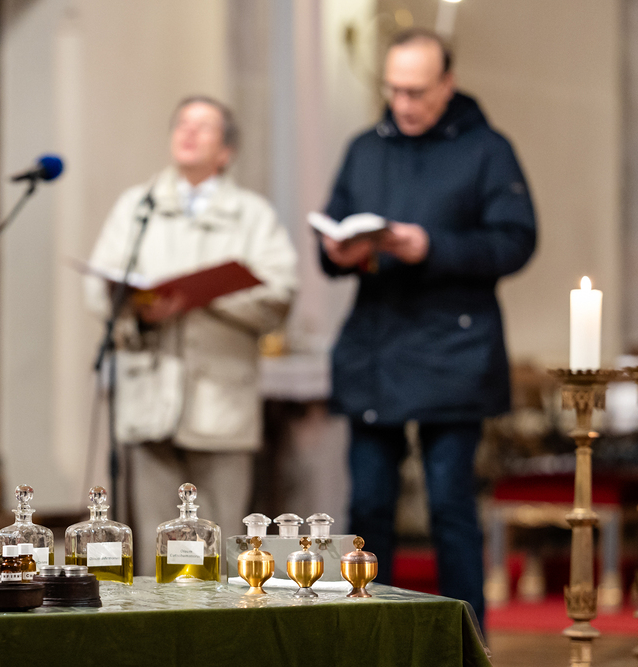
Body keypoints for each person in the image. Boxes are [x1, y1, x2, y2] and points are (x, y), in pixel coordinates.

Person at [319, 29, 536, 627]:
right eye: (393, 89)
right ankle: (371, 639)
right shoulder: (366, 148)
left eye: (416, 91)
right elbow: (332, 230)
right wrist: (339, 252)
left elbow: (516, 241)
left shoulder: (487, 149)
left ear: (447, 84)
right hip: (376, 347)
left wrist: (431, 247)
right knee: (367, 509)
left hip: (453, 350)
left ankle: (467, 644)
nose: (403, 104)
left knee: (450, 508)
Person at [84, 96, 298, 573]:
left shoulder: (251, 214)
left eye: (204, 126)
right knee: (156, 547)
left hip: (219, 401)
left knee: (219, 545)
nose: (189, 132)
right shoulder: (137, 206)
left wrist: (206, 296)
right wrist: (141, 312)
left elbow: (280, 295)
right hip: (148, 398)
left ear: (226, 151)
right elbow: (98, 287)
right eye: (182, 123)